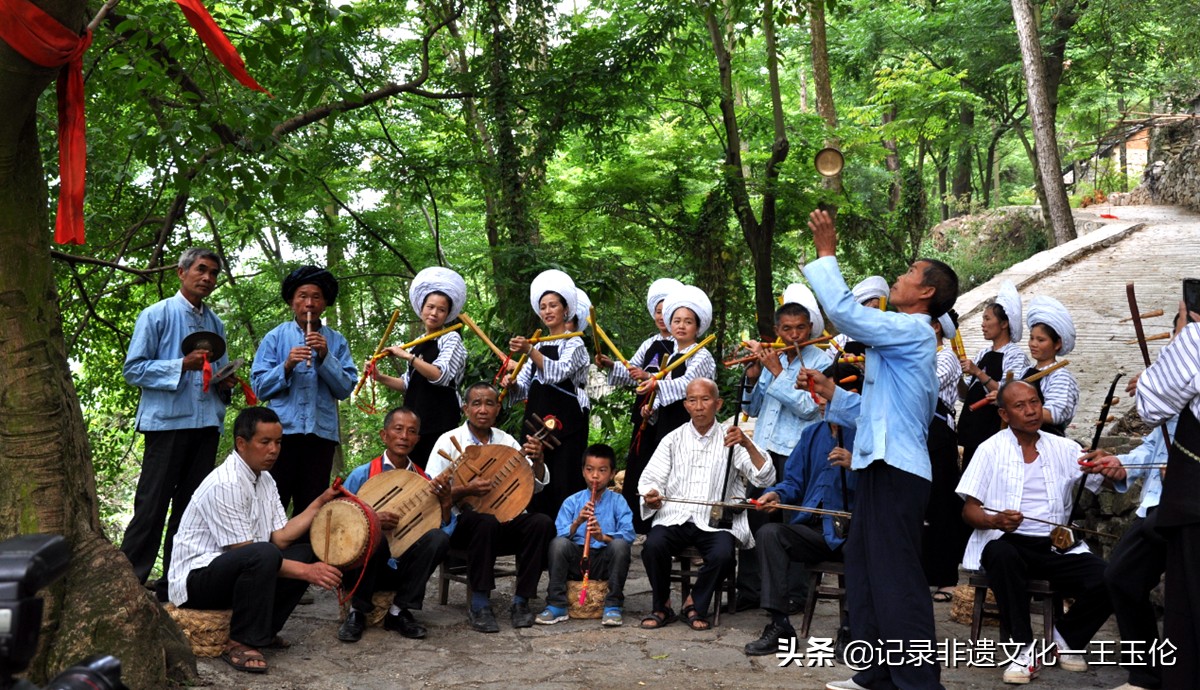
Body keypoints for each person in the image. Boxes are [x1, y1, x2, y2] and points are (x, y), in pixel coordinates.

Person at [802, 208, 958, 690]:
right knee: (865, 568)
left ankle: (918, 682)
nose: (900, 276)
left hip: (898, 473)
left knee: (895, 575)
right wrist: (833, 397)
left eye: (910, 273)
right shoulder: (903, 346)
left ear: (927, 292)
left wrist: (827, 255)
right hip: (880, 467)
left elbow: (848, 314)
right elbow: (876, 413)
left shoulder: (915, 330)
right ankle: (877, 674)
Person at [957, 380, 1119, 685]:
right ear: (1004, 414)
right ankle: (1023, 647)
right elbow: (969, 511)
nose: (1031, 411)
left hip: (1055, 546)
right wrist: (996, 520)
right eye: (1020, 406)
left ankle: (1064, 638)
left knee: (1110, 576)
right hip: (1006, 541)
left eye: (1034, 402)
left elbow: (1102, 482)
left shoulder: (1064, 447)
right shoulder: (989, 450)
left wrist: (1109, 467)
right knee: (1002, 555)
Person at [169, 407, 343, 674]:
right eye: (265, 442)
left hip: (241, 568)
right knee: (265, 555)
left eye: (278, 442)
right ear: (242, 443)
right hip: (196, 580)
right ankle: (241, 641)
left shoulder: (265, 480)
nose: (274, 450)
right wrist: (308, 573)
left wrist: (320, 502)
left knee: (306, 552)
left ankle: (264, 631)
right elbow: (248, 552)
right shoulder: (225, 483)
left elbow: (281, 538)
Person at [121, 247, 235, 600]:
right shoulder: (157, 315)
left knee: (190, 510)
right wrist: (179, 365)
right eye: (201, 270)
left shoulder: (214, 323)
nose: (208, 278)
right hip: (166, 424)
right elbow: (133, 369)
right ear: (181, 273)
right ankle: (128, 585)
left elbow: (218, 372)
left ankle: (173, 584)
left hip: (204, 426)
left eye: (214, 273)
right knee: (152, 505)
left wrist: (224, 382)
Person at [638, 378, 775, 631]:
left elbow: (766, 476)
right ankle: (662, 605)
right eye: (692, 400)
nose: (699, 406)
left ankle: (694, 603)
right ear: (686, 405)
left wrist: (746, 442)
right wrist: (652, 495)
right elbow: (650, 480)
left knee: (723, 554)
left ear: (718, 403)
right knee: (653, 545)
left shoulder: (732, 438)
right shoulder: (673, 439)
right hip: (675, 516)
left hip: (714, 521)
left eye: (705, 399)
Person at [743, 362, 859, 656]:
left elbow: (885, 484)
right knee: (770, 534)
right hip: (814, 531)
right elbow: (793, 481)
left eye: (826, 393)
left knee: (865, 547)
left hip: (853, 532)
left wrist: (857, 463)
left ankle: (853, 627)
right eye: (818, 392)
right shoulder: (812, 435)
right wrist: (774, 493)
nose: (819, 400)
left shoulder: (869, 433)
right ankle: (780, 624)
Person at [427, 382, 555, 632]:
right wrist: (467, 490)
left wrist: (538, 461)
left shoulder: (506, 441)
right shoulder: (448, 441)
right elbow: (432, 492)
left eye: (489, 403)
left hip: (505, 523)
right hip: (465, 527)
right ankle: (480, 603)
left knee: (541, 523)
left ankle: (521, 602)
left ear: (498, 408)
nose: (483, 409)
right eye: (476, 403)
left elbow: (535, 485)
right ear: (466, 408)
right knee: (483, 520)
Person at [738, 283, 831, 609]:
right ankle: (751, 592)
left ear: (811, 329)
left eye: (800, 328)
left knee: (791, 525)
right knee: (755, 519)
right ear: (777, 330)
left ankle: (793, 595)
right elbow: (758, 405)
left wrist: (776, 372)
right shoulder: (773, 358)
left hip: (796, 453)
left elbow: (809, 407)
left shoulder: (822, 361)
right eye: (787, 329)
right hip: (763, 450)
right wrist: (754, 374)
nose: (794, 335)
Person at [336, 407, 452, 643]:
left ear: (418, 439)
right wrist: (372, 520)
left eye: (411, 432)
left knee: (439, 539)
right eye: (398, 429)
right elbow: (339, 521)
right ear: (384, 435)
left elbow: (441, 528)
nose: (404, 436)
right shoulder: (363, 474)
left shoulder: (423, 480)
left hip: (401, 569)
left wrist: (447, 503)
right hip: (364, 565)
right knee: (375, 535)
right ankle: (357, 612)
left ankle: (398, 611)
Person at [252, 266, 358, 515]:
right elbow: (259, 387)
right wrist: (286, 366)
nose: (309, 303)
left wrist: (325, 356)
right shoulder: (275, 338)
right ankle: (268, 553)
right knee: (271, 503)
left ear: (325, 303)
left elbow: (345, 388)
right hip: (280, 437)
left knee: (311, 507)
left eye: (316, 297)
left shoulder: (337, 341)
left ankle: (304, 554)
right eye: (302, 296)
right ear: (292, 301)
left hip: (320, 436)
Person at [1134, 299, 1200, 690]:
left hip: (1195, 502)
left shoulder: (1194, 341)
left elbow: (1150, 404)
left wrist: (1178, 341)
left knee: (1189, 619)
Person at [1085, 408, 1176, 690]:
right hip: (1157, 504)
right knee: (1122, 578)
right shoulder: (1177, 405)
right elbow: (1154, 446)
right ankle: (1145, 675)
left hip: (1189, 507)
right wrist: (1123, 463)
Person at [597, 278, 682, 533]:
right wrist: (612, 365)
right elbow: (630, 371)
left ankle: (663, 522)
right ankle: (635, 523)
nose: (661, 316)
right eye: (658, 310)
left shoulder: (683, 347)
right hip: (644, 413)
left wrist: (652, 379)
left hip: (670, 416)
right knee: (639, 466)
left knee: (666, 469)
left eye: (666, 310)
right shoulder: (650, 344)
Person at [503, 269, 590, 517]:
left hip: (567, 423)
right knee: (533, 474)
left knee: (563, 476)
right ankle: (536, 531)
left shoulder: (575, 343)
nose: (548, 311)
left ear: (566, 310)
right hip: (536, 419)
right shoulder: (539, 345)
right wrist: (512, 384)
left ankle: (564, 535)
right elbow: (523, 386)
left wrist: (530, 350)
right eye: (543, 307)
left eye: (553, 305)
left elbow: (557, 373)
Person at [372, 267, 469, 468]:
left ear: (447, 314)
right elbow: (407, 384)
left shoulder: (451, 338)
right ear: (422, 308)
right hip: (414, 422)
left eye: (441, 310)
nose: (434, 313)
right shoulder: (417, 342)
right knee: (415, 474)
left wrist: (408, 357)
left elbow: (440, 376)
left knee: (439, 473)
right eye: (430, 307)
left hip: (440, 418)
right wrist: (379, 376)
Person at [537, 444, 635, 627]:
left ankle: (613, 605)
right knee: (558, 544)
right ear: (583, 471)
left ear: (612, 474)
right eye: (590, 470)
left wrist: (602, 537)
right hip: (577, 561)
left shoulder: (618, 502)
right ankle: (557, 604)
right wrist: (577, 522)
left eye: (602, 470)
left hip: (603, 561)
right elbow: (559, 534)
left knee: (620, 546)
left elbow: (629, 535)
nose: (595, 476)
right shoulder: (572, 501)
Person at [635, 284, 717, 452]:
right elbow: (665, 390)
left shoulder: (701, 355)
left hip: (691, 424)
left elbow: (688, 385)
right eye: (677, 321)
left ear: (697, 328)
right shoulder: (672, 355)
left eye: (688, 322)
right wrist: (651, 409)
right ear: (670, 325)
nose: (681, 326)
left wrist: (655, 384)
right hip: (667, 426)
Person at [958, 280, 1030, 468]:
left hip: (993, 430)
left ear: (1004, 323)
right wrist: (958, 378)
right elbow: (966, 395)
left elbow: (1008, 393)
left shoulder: (1015, 355)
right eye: (983, 319)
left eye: (988, 319)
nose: (983, 324)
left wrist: (977, 372)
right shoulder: (982, 353)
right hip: (973, 432)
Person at [925, 309, 969, 603]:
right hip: (917, 431)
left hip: (939, 433)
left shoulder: (946, 357)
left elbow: (927, 385)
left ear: (937, 327)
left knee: (941, 502)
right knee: (919, 502)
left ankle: (946, 578)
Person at [1023, 295, 1080, 436]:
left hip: (1046, 442)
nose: (1033, 344)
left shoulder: (1060, 376)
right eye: (1031, 338)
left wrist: (1014, 408)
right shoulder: (1025, 371)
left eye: (1041, 340)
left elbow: (1054, 414)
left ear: (1057, 344)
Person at [829, 275, 888, 350]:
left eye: (880, 309)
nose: (877, 313)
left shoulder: (888, 341)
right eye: (874, 308)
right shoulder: (838, 342)